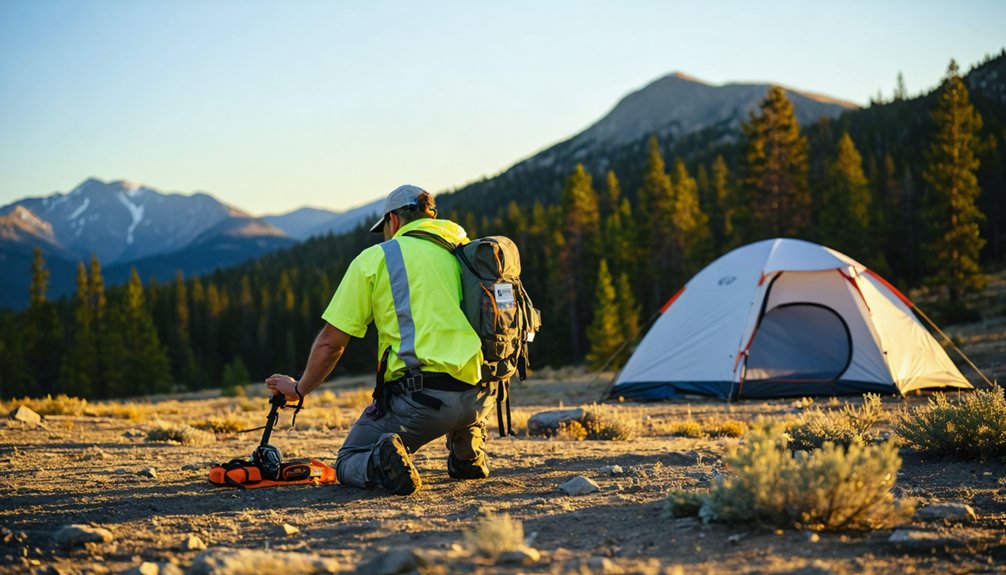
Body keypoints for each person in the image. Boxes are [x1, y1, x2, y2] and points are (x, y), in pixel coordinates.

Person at [265, 184, 494, 496]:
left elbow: (331, 342)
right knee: (458, 376)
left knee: (347, 461)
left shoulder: (376, 258)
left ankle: (381, 461)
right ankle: (467, 454)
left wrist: (299, 388)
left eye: (384, 228)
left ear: (393, 221)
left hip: (422, 403)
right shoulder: (465, 252)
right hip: (480, 396)